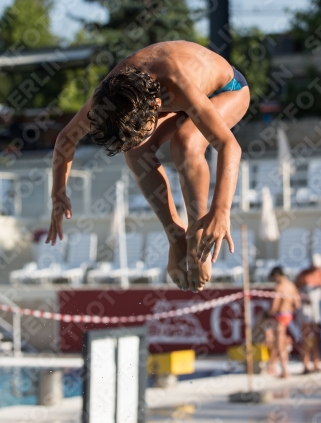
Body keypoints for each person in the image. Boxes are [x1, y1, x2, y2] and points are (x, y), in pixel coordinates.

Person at [45, 41, 250, 292]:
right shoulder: (108, 98)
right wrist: (58, 193)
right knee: (135, 149)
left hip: (228, 90)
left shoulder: (174, 79)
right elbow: (66, 138)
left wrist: (220, 211)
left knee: (186, 142)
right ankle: (176, 236)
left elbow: (230, 146)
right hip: (173, 96)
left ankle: (198, 241)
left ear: (154, 107)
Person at [268, 266, 301, 378]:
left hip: (280, 317)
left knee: (279, 345)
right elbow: (297, 304)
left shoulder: (279, 288)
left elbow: (274, 307)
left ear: (276, 276)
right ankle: (273, 366)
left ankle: (284, 371)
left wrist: (267, 314)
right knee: (281, 342)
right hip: (288, 315)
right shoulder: (291, 286)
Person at [296, 253, 321, 373]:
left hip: (316, 308)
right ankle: (305, 364)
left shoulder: (319, 273)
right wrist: (303, 298)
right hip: (305, 308)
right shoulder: (303, 275)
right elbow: (295, 289)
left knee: (316, 336)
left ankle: (316, 362)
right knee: (305, 336)